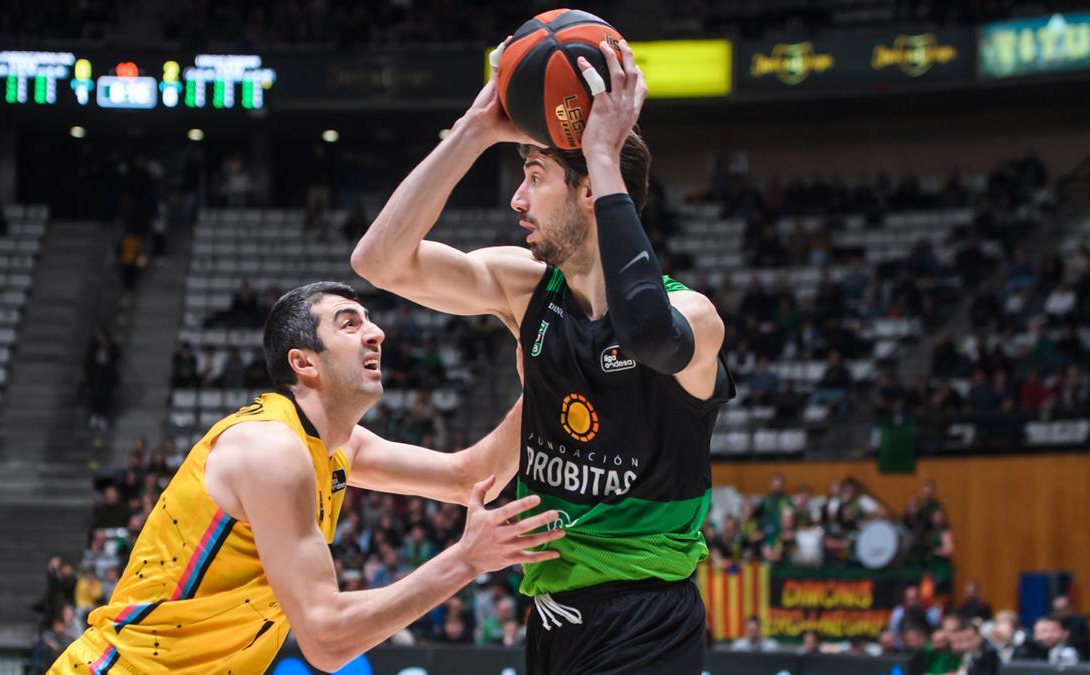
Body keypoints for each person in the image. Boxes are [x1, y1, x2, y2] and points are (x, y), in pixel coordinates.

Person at [353, 38, 733, 674]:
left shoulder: (694, 318)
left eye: (535, 178)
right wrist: (474, 131)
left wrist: (604, 153)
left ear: (590, 191)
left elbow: (644, 333)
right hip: (551, 612)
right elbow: (378, 261)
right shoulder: (525, 288)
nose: (517, 201)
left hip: (646, 614)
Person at [50, 282, 563, 673]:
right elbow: (326, 639)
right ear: (303, 363)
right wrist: (466, 560)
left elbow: (470, 476)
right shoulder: (272, 449)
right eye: (348, 323)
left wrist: (547, 381)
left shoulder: (337, 445)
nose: (376, 332)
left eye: (369, 321)